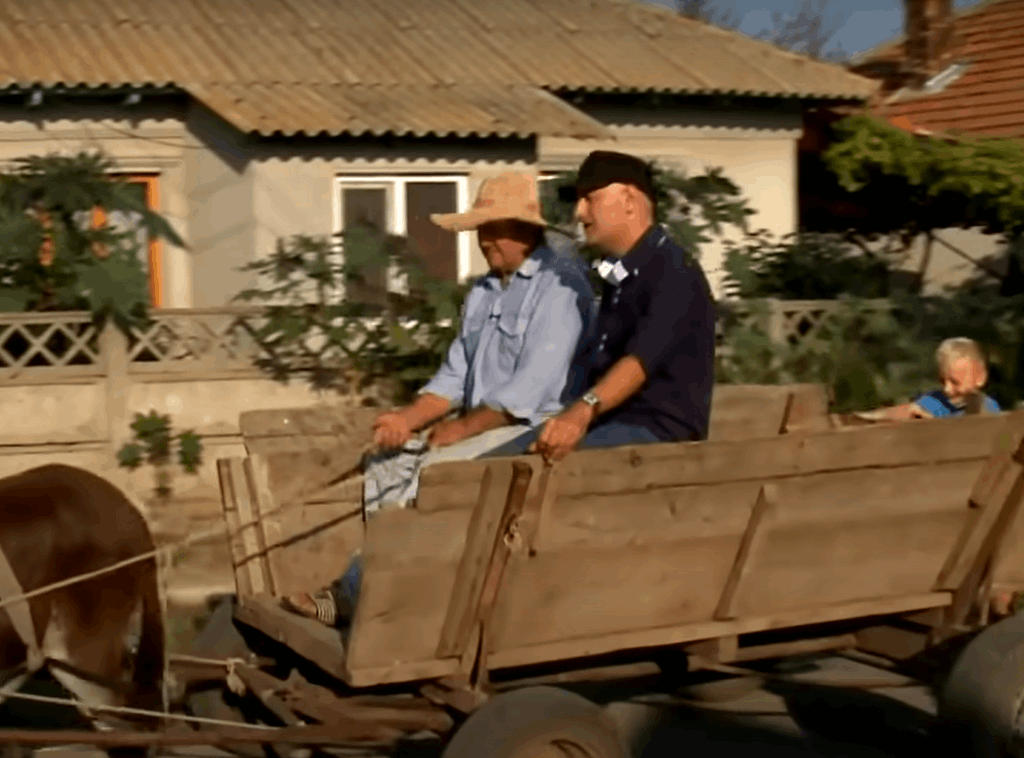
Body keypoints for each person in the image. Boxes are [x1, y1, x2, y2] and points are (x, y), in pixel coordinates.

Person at [281, 171, 594, 627]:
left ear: (526, 230)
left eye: (494, 228)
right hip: (486, 426)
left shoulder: (561, 287)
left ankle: (355, 596)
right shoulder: (485, 291)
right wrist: (407, 420)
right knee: (386, 464)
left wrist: (460, 429)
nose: (484, 240)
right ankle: (394, 589)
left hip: (535, 432)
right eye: (481, 229)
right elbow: (453, 376)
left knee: (435, 472)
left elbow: (530, 391)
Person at [485, 150, 716, 461]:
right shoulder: (620, 272)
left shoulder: (673, 271)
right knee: (487, 466)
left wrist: (581, 411)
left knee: (501, 471)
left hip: (657, 432)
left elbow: (639, 363)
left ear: (629, 202)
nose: (579, 213)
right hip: (610, 423)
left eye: (589, 199)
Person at [859, 337, 1000, 422]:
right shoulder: (935, 400)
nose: (947, 389)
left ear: (980, 378)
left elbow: (976, 434)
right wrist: (873, 416)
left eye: (955, 382)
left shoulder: (986, 407)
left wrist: (932, 423)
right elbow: (910, 410)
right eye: (942, 381)